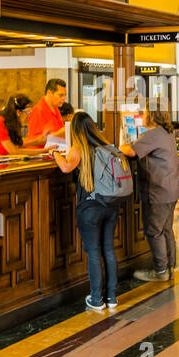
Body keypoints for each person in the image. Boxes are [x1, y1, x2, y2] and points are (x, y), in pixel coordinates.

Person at [52, 111, 123, 312]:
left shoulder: (78, 148)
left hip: (90, 208)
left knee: (93, 251)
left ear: (74, 130)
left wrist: (54, 153)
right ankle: (111, 297)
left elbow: (65, 168)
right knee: (108, 249)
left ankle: (96, 298)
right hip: (110, 205)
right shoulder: (107, 146)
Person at [120, 108, 179, 283]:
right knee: (166, 228)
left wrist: (122, 145)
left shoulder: (153, 133)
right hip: (171, 187)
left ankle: (160, 270)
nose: (143, 115)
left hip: (159, 189)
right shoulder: (166, 132)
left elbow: (131, 152)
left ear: (153, 116)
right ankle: (170, 267)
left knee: (154, 230)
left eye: (146, 113)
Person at [0, 93, 47, 157]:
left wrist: (39, 140)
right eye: (27, 112)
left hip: (0, 158)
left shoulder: (12, 122)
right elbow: (14, 151)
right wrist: (44, 150)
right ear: (18, 112)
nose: (28, 116)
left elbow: (17, 144)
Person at [24, 78, 67, 147]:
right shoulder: (38, 111)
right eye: (60, 95)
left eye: (65, 95)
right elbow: (33, 141)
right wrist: (58, 134)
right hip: (41, 155)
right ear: (49, 93)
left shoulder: (55, 108)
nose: (64, 98)